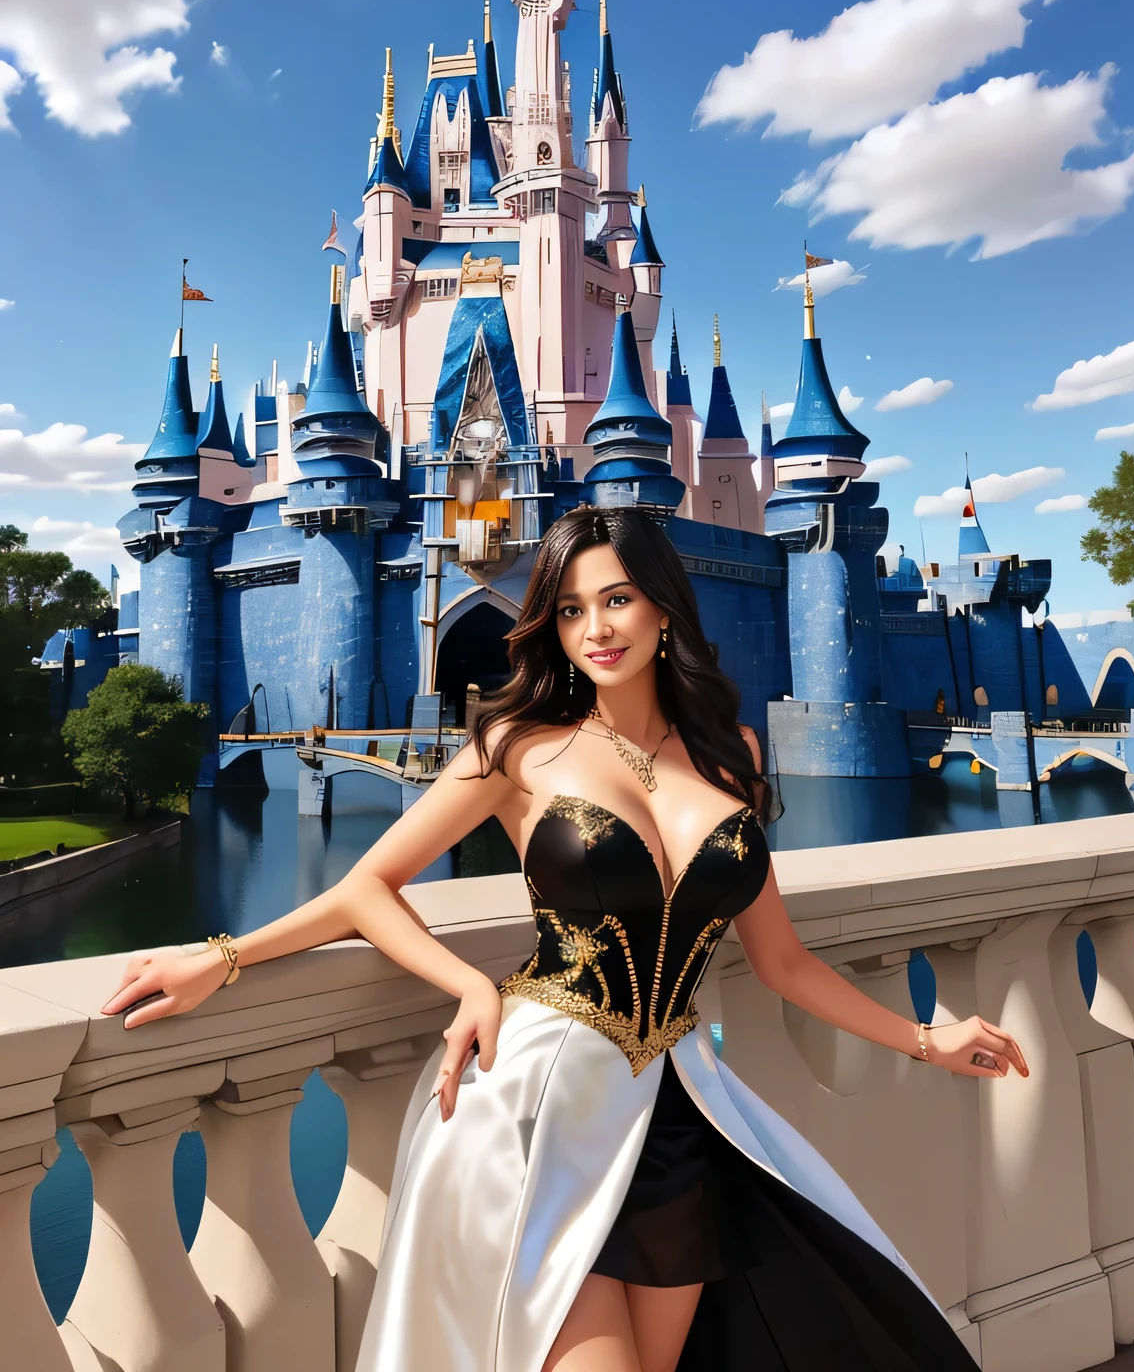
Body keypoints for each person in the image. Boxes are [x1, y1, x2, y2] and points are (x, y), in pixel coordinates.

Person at [103, 505, 1027, 1372]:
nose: (596, 628)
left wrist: (925, 1037)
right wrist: (228, 960)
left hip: (676, 1119)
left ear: (665, 606)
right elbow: (366, 887)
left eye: (617, 598)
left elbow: (780, 961)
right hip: (533, 1110)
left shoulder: (733, 754)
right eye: (572, 608)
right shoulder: (520, 744)